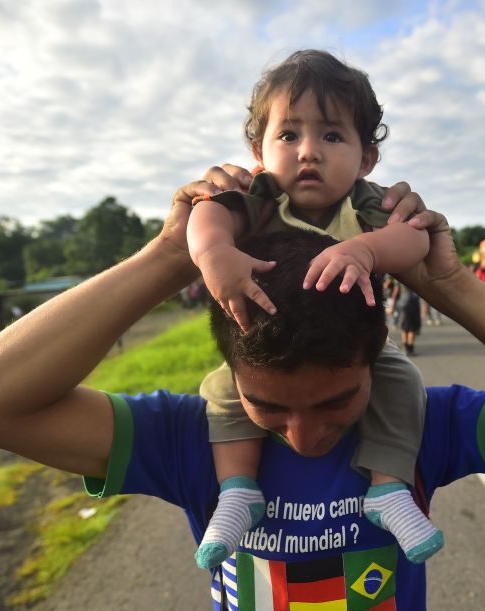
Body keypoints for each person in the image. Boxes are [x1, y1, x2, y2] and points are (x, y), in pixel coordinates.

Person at [0, 175, 485, 611]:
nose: (305, 436)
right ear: (227, 375)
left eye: (334, 404)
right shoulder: (192, 437)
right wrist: (171, 252)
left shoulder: (418, 423)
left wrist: (442, 282)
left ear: (375, 361)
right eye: (267, 407)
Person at [184, 50, 440, 569]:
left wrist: (367, 248)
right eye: (289, 135)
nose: (309, 153)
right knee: (223, 392)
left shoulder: (367, 205)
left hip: (349, 349)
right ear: (258, 148)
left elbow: (414, 244)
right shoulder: (257, 197)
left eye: (332, 136)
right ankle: (238, 490)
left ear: (366, 157)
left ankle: (390, 488)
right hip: (263, 347)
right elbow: (207, 215)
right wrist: (214, 253)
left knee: (400, 382)